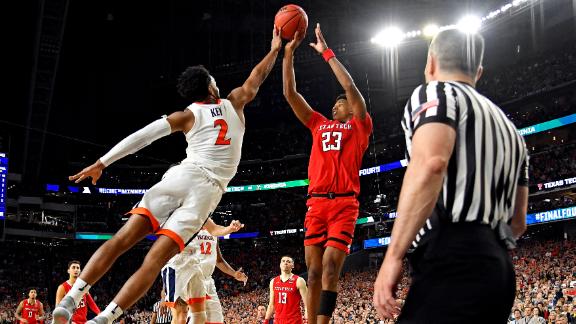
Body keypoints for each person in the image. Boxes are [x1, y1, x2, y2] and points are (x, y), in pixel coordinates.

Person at [52, 26, 283, 324]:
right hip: (205, 191)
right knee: (154, 260)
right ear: (212, 87)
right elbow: (257, 77)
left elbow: (144, 135)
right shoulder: (234, 102)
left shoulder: (187, 114)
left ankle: (72, 298)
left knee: (122, 239)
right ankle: (105, 319)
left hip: (179, 177)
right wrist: (275, 49)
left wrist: (102, 162)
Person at [373, 28, 529, 323]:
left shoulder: (435, 92)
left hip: (453, 256)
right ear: (478, 71)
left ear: (430, 63)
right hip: (499, 268)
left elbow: (431, 163)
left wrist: (393, 256)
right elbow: (518, 221)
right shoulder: (511, 131)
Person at [282, 23, 372, 324]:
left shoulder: (359, 126)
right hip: (316, 203)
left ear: (352, 108)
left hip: (345, 203)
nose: (336, 105)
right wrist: (288, 53)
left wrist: (327, 53)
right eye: (334, 103)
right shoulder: (318, 123)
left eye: (340, 103)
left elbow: (351, 88)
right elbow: (290, 92)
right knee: (314, 270)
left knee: (332, 266)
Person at [162, 218, 246, 324]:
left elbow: (218, 260)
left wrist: (233, 273)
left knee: (213, 319)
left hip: (206, 279)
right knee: (182, 315)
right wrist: (164, 290)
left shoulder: (211, 228)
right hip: (185, 274)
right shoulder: (185, 223)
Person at [264, 256, 308, 324]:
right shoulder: (273, 281)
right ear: (280, 264)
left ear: (292, 266)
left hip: (294, 320)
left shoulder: (299, 280)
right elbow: (271, 305)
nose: (285, 263)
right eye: (283, 261)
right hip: (278, 320)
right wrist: (266, 320)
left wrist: (307, 316)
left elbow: (307, 303)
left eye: (288, 261)